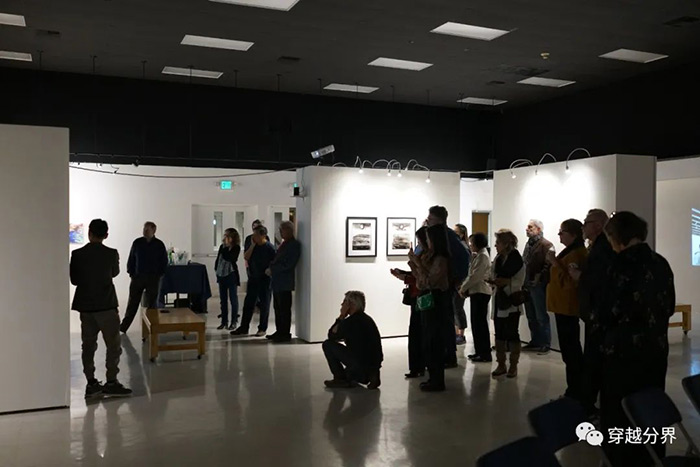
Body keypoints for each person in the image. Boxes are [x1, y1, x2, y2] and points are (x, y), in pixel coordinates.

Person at [596, 211, 675, 466]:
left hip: (622, 355)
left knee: (620, 413)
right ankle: (652, 458)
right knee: (651, 409)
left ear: (617, 237)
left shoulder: (619, 266)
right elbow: (669, 307)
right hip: (655, 351)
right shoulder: (661, 263)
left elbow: (606, 312)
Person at [70, 219, 132, 398]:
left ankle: (91, 383)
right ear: (106, 235)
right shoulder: (111, 253)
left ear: (89, 233)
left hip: (86, 306)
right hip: (106, 305)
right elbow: (115, 273)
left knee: (88, 346)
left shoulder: (77, 254)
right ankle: (111, 381)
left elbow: (74, 280)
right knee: (113, 345)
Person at [570, 209, 616, 415]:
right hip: (594, 314)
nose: (583, 227)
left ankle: (589, 406)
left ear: (598, 225)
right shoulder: (598, 247)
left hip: (598, 315)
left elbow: (599, 281)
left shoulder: (603, 249)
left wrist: (579, 276)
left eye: (586, 222)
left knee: (594, 360)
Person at [546, 219, 588, 401]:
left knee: (571, 351)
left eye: (562, 232)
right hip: (562, 306)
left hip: (568, 306)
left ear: (573, 234)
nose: (559, 235)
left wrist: (554, 263)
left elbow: (571, 281)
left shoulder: (577, 254)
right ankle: (574, 389)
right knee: (569, 350)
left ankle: (575, 391)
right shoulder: (571, 252)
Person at [409, 224, 452, 392]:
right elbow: (420, 279)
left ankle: (437, 380)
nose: (425, 242)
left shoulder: (440, 259)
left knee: (434, 340)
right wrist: (415, 264)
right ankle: (432, 377)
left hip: (436, 300)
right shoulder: (431, 256)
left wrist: (417, 263)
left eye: (427, 239)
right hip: (428, 298)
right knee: (428, 339)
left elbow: (429, 281)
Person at [426, 206, 469, 368]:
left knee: (444, 321)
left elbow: (463, 257)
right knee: (443, 321)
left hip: (444, 286)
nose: (428, 221)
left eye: (430, 219)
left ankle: (448, 355)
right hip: (443, 284)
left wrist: (456, 279)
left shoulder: (447, 236)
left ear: (439, 220)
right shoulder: (445, 235)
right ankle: (445, 355)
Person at [322, 291, 383, 389]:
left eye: (345, 302)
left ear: (351, 305)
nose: (342, 304)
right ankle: (372, 375)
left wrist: (341, 316)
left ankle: (340, 379)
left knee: (327, 344)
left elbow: (332, 336)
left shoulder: (350, 322)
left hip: (359, 366)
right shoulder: (368, 319)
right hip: (373, 366)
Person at [390, 226, 428, 378]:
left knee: (417, 333)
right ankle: (418, 367)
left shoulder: (427, 257)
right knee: (417, 332)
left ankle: (418, 367)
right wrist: (405, 274)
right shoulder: (425, 255)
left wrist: (407, 272)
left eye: (420, 241)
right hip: (417, 296)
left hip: (421, 296)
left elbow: (421, 277)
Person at [489, 229, 526, 378]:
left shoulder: (516, 259)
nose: (496, 245)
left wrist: (507, 282)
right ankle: (501, 364)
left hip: (511, 300)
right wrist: (494, 281)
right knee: (499, 333)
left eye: (498, 242)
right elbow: (493, 273)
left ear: (506, 244)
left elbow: (519, 280)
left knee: (512, 333)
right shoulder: (498, 259)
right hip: (499, 298)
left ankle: (513, 365)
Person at [119, 221, 168, 333]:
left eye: (147, 229)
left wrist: (159, 275)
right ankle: (124, 327)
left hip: (153, 278)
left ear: (154, 230)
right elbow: (131, 259)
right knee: (132, 303)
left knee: (152, 305)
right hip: (138, 277)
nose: (145, 231)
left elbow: (164, 261)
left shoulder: (159, 244)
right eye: (144, 229)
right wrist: (131, 273)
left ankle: (151, 327)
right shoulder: (137, 243)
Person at [231, 225, 276, 337]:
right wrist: (252, 245)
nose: (253, 237)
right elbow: (246, 257)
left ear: (263, 235)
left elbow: (274, 262)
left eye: (256, 235)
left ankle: (262, 328)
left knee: (264, 304)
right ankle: (244, 327)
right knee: (248, 303)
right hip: (253, 278)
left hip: (265, 279)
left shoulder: (270, 248)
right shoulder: (253, 246)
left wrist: (270, 270)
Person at [522, 219, 554, 354]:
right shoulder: (528, 244)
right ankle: (535, 341)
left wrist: (540, 277)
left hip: (538, 285)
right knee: (531, 315)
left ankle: (545, 343)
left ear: (538, 229)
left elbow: (548, 264)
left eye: (530, 227)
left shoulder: (546, 245)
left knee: (541, 315)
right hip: (527, 283)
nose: (527, 229)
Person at [459, 232, 492, 362]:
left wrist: (463, 288)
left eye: (472, 243)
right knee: (477, 324)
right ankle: (479, 351)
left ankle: (484, 353)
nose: (470, 245)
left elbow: (475, 276)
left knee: (480, 324)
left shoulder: (482, 256)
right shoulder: (479, 255)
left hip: (480, 292)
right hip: (477, 292)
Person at [266, 221, 301, 343]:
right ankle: (279, 331)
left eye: (282, 230)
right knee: (277, 308)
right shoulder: (284, 244)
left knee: (284, 309)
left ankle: (285, 333)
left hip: (284, 282)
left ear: (289, 230)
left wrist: (273, 269)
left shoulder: (294, 245)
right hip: (277, 282)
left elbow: (289, 264)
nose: (280, 232)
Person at [215, 228, 241, 330]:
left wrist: (226, 248)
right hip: (221, 274)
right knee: (223, 300)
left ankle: (234, 321)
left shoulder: (236, 247)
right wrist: (216, 270)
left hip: (231, 275)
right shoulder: (222, 247)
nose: (225, 237)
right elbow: (219, 259)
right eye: (225, 235)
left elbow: (230, 258)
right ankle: (224, 321)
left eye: (227, 236)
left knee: (233, 299)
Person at [453, 224, 470, 345]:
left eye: (456, 232)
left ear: (462, 234)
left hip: (460, 281)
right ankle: (456, 333)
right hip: (455, 281)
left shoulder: (463, 247)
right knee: (455, 307)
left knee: (458, 307)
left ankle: (461, 334)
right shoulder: (457, 246)